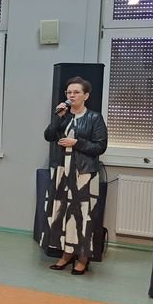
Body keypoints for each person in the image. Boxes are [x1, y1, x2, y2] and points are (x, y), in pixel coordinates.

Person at [43, 76, 108, 276]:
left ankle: (83, 258)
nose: (72, 95)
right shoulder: (64, 116)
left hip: (84, 174)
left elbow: (100, 146)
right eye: (69, 92)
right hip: (63, 172)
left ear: (86, 96)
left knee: (83, 216)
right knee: (63, 214)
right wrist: (58, 117)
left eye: (76, 92)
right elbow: (48, 136)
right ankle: (66, 254)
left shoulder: (94, 118)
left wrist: (76, 143)